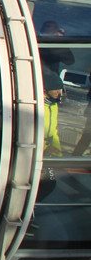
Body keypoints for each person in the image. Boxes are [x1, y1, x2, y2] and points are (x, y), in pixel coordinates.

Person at [39, 21, 72, 158]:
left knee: (49, 177)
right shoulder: (40, 45)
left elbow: (69, 60)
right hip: (44, 88)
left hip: (49, 89)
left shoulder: (52, 105)